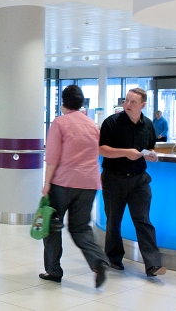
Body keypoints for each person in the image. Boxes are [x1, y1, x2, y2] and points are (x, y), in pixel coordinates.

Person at [40, 84, 110, 288]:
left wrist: (46, 184)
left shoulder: (60, 123)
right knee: (80, 228)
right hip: (89, 183)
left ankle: (53, 270)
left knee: (52, 225)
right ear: (81, 103)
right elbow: (96, 151)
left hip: (63, 182)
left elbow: (52, 157)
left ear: (63, 102)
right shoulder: (91, 124)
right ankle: (98, 261)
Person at [99, 87, 166, 278]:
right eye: (126, 101)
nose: (128, 105)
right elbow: (102, 149)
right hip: (114, 178)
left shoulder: (148, 125)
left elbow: (150, 147)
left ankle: (152, 264)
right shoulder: (111, 123)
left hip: (139, 180)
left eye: (133, 102)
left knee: (143, 220)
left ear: (143, 105)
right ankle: (113, 257)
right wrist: (126, 152)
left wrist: (151, 155)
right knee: (113, 220)